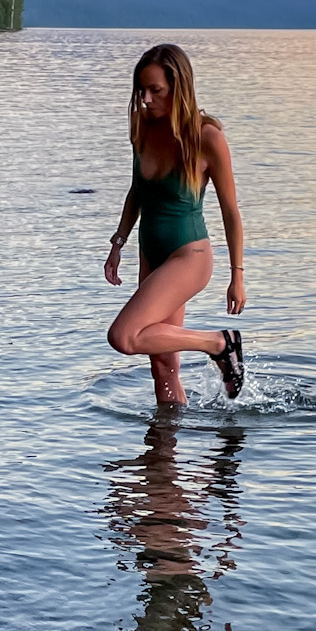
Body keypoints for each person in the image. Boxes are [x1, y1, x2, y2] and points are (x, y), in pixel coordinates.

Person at [104, 42, 246, 405]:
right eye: (142, 90)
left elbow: (230, 210)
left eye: (156, 90)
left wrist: (237, 276)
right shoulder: (143, 128)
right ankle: (164, 456)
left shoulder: (207, 137)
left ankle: (218, 343)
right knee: (163, 366)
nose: (147, 99)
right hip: (150, 251)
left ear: (179, 87)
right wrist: (117, 244)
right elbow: (137, 190)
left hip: (189, 255)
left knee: (124, 336)